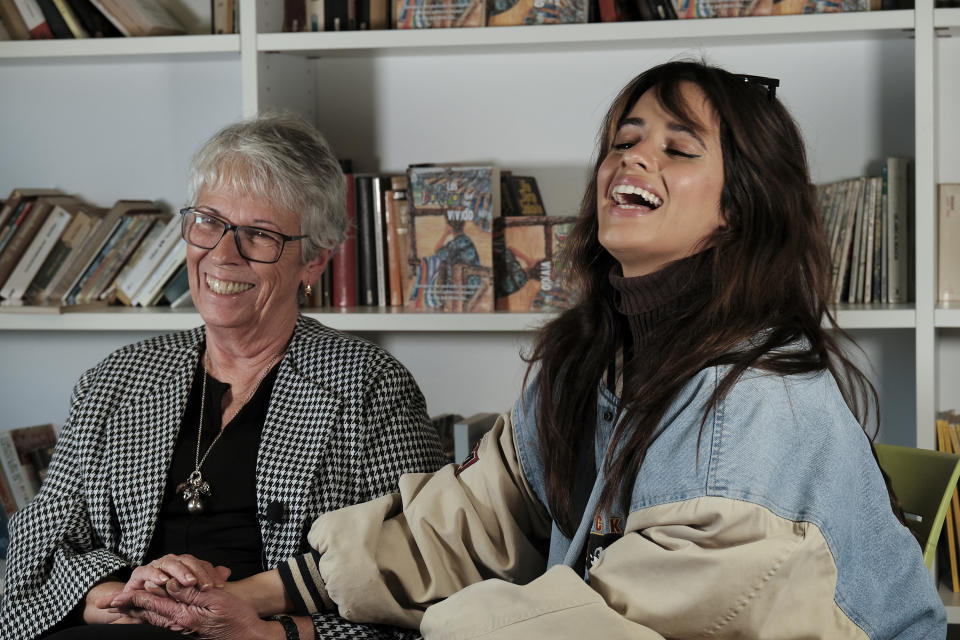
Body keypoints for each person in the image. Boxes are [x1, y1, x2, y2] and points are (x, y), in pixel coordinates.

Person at [110, 60, 946, 638]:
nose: (634, 154)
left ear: (740, 209)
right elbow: (476, 520)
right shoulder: (597, 358)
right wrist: (251, 589)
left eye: (678, 148)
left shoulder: (756, 410)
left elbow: (600, 625)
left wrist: (291, 633)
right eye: (625, 136)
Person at [0, 112, 448, 640]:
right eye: (208, 221)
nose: (222, 254)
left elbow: (420, 575)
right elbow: (36, 545)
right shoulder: (117, 379)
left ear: (314, 263)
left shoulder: (368, 386)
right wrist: (118, 593)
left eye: (258, 234)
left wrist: (270, 630)